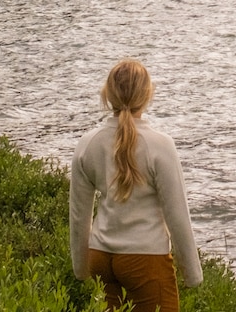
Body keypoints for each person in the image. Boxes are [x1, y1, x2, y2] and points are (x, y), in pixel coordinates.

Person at [70, 59, 201, 312]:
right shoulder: (160, 145)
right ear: (147, 95)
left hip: (101, 259)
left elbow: (79, 215)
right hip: (145, 261)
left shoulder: (88, 144)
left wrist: (81, 268)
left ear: (107, 94)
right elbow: (177, 215)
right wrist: (192, 274)